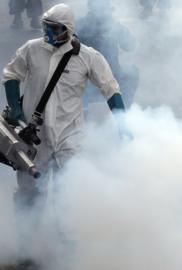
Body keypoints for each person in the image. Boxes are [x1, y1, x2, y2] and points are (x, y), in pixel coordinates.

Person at [2, 3, 130, 269]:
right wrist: (14, 106)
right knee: (28, 193)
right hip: (34, 137)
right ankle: (28, 247)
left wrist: (122, 123)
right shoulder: (31, 49)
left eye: (54, 29)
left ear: (68, 30)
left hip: (69, 137)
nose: (48, 33)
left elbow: (110, 89)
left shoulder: (89, 57)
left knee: (66, 194)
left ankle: (65, 250)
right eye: (46, 28)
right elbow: (11, 75)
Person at [77, 0, 139, 110]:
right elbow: (131, 45)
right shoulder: (112, 26)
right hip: (108, 85)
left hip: (89, 85)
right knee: (132, 72)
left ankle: (84, 113)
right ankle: (122, 112)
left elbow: (130, 45)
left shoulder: (79, 24)